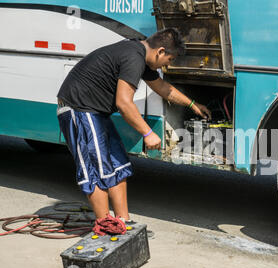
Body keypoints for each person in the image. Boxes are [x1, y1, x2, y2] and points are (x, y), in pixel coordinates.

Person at [56, 28, 211, 229]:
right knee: (96, 169)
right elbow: (123, 102)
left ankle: (123, 222)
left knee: (119, 165)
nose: (168, 65)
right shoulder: (133, 57)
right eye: (170, 59)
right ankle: (106, 226)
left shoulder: (141, 54)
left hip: (96, 111)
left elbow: (164, 89)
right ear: (160, 52)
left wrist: (193, 105)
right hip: (79, 109)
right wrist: (148, 133)